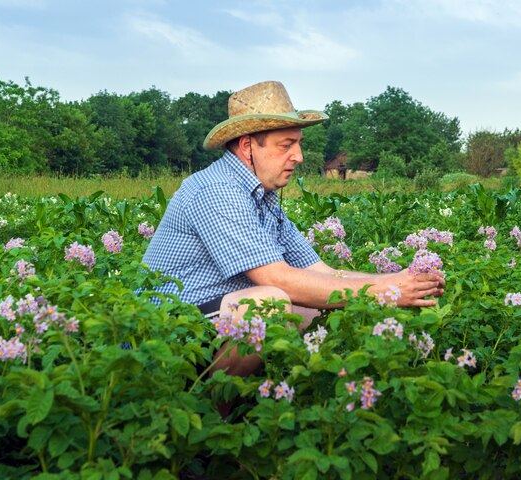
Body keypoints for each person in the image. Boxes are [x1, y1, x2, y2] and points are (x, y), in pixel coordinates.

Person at [142, 80, 445, 380]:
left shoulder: (263, 198)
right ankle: (210, 414)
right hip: (165, 332)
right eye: (286, 145)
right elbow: (276, 280)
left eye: (298, 144)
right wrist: (384, 292)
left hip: (212, 317)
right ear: (248, 146)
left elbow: (321, 272)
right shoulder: (217, 190)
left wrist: (401, 281)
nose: (298, 156)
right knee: (269, 305)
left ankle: (308, 395)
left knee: (319, 312)